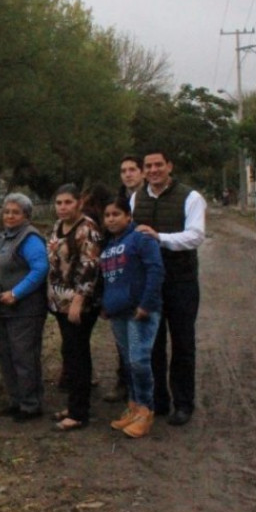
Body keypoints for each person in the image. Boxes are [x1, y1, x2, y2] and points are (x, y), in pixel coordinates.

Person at [132, 150, 207, 426]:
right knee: (152, 344)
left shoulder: (191, 197)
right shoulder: (136, 198)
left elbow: (195, 236)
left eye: (158, 165)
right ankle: (158, 400)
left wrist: (159, 237)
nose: (153, 170)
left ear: (169, 166)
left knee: (182, 343)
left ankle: (184, 403)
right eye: (148, 166)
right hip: (150, 284)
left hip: (181, 281)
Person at [100, 197, 165, 438]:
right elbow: (108, 279)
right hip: (117, 312)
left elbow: (155, 270)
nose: (111, 219)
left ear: (128, 216)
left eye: (116, 214)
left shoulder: (141, 238)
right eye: (107, 215)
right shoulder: (108, 245)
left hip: (139, 311)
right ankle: (134, 406)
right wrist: (105, 304)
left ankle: (146, 411)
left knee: (139, 360)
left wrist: (146, 303)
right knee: (128, 362)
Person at [0, 193, 50, 422]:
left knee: (24, 357)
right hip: (2, 309)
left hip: (25, 310)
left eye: (16, 212)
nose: (10, 216)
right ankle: (16, 400)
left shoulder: (29, 238)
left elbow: (40, 268)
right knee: (6, 356)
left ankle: (30, 404)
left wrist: (16, 293)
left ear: (26, 215)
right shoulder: (3, 237)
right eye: (6, 212)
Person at [46, 184, 103, 432]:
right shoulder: (58, 226)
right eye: (59, 203)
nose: (63, 207)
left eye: (68, 202)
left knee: (78, 355)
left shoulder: (87, 229)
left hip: (78, 305)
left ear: (79, 203)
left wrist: (78, 301)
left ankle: (79, 413)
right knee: (69, 354)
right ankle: (73, 405)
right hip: (59, 301)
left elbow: (90, 268)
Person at [106, 155, 144, 403]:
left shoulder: (148, 199)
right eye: (123, 170)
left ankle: (145, 399)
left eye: (132, 169)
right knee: (124, 346)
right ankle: (127, 388)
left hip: (142, 280)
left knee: (141, 348)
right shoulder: (119, 198)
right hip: (120, 282)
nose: (128, 174)